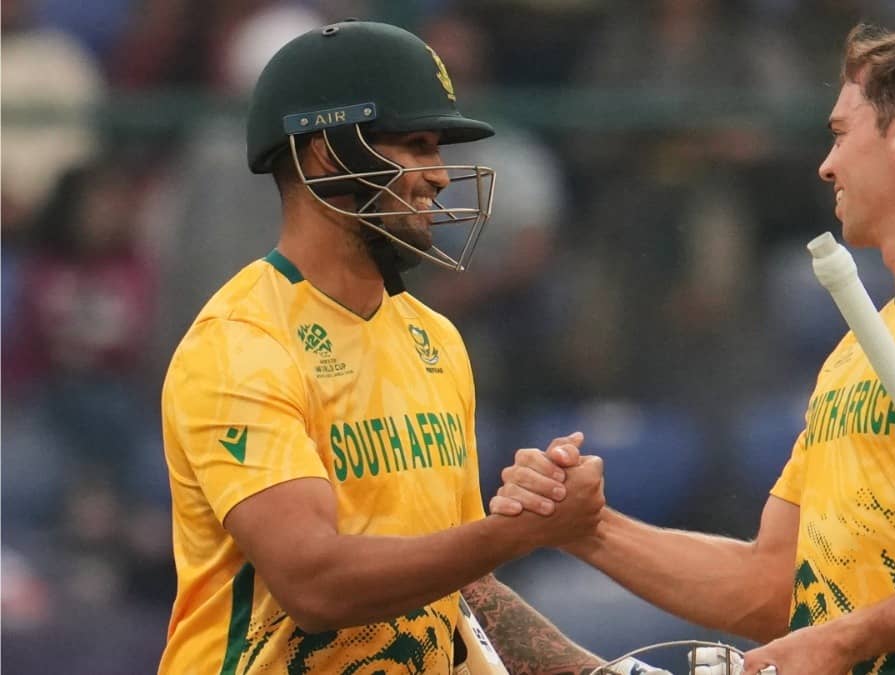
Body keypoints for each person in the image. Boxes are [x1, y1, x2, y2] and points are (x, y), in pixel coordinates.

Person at [495, 20, 895, 675]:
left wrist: (848, 638)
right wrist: (589, 529)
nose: (826, 164)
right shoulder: (853, 354)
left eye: (841, 134)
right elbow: (774, 586)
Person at [158, 20, 608, 675]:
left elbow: (463, 590)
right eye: (417, 146)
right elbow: (314, 583)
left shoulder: (437, 340)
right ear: (323, 156)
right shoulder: (239, 344)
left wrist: (592, 671)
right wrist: (520, 529)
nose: (441, 177)